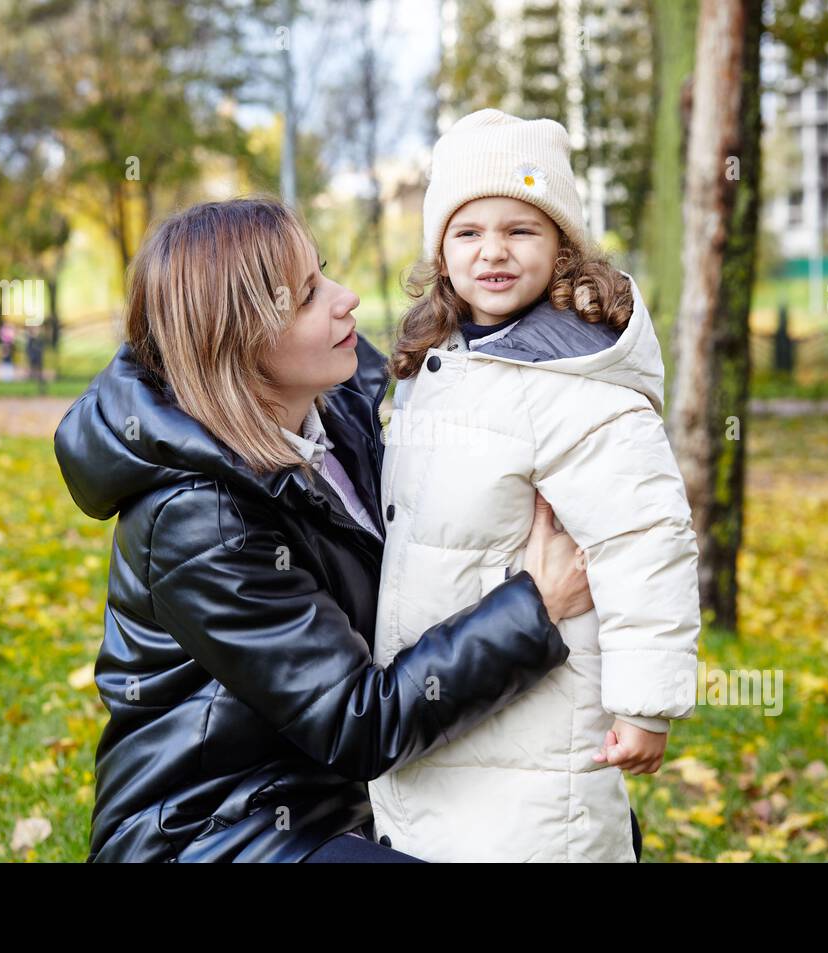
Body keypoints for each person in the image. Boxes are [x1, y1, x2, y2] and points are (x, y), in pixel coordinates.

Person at [52, 197, 595, 862]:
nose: (347, 298)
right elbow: (357, 718)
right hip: (218, 830)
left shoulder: (334, 414)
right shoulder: (200, 520)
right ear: (239, 340)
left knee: (587, 833)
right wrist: (533, 607)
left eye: (325, 273)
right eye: (308, 295)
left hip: (347, 795)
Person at [368, 108, 702, 862]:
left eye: (521, 229)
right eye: (468, 231)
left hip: (537, 715)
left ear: (561, 246)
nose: (493, 251)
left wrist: (647, 702)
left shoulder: (580, 383)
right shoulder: (439, 361)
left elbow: (645, 539)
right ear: (441, 250)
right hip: (449, 693)